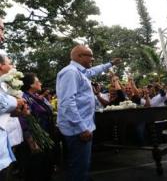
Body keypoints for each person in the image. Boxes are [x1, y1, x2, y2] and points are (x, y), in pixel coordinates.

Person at [56, 45, 121, 181]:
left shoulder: (81, 72)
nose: (93, 58)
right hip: (78, 129)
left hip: (81, 127)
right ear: (79, 56)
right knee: (79, 167)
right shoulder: (71, 72)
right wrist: (82, 128)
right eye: (90, 55)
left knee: (81, 165)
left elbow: (94, 71)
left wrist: (110, 64)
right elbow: (68, 103)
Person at [18, 73, 54, 181]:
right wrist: (30, 140)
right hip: (36, 139)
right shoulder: (24, 98)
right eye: (38, 81)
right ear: (30, 84)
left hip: (46, 135)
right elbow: (23, 120)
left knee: (46, 167)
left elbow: (49, 109)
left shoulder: (37, 97)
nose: (41, 83)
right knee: (36, 170)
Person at [0, 54, 27, 181]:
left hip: (6, 143)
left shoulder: (6, 84)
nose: (13, 66)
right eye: (10, 63)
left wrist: (18, 111)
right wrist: (16, 102)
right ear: (1, 65)